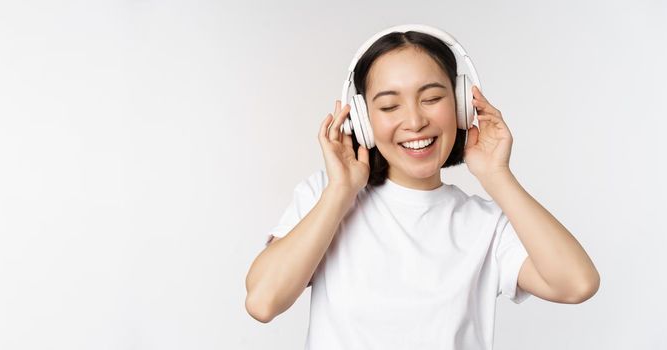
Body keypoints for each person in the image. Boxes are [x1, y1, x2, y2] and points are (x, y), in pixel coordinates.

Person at [245, 25, 600, 349]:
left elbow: (577, 284)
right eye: (388, 105)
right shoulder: (325, 197)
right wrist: (341, 192)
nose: (415, 121)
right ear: (363, 120)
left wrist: (497, 175)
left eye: (431, 99)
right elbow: (262, 302)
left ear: (461, 105)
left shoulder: (487, 225)